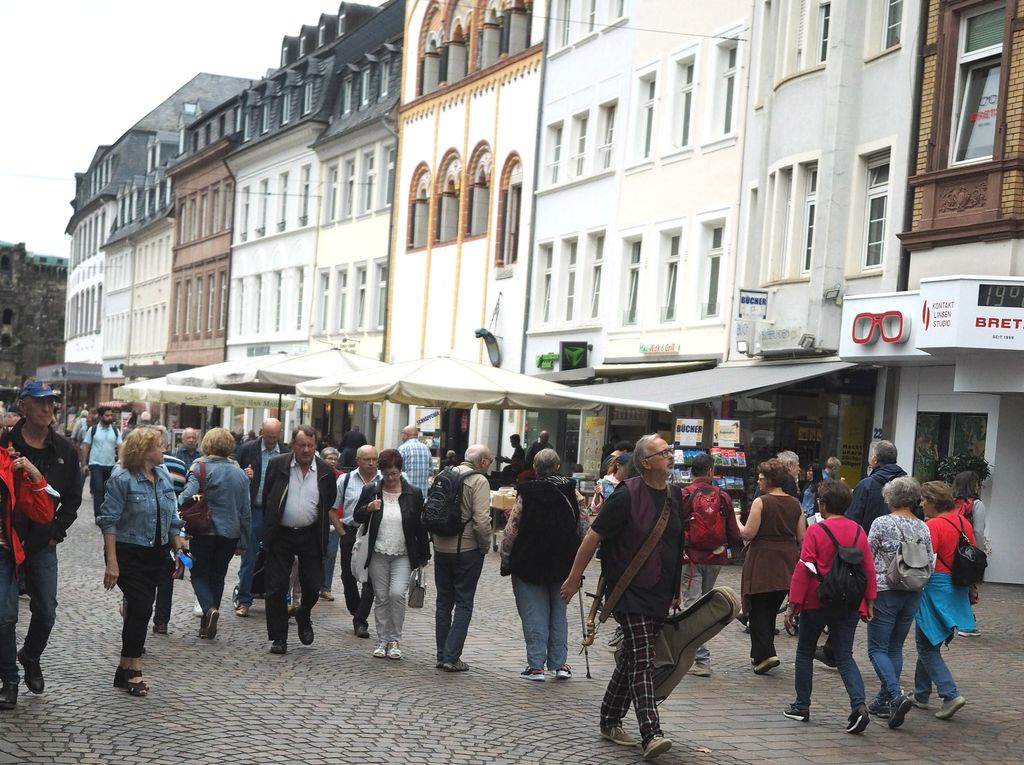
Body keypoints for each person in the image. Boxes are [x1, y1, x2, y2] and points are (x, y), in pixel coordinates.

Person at [560, 434, 682, 760]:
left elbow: (674, 545)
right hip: (629, 590)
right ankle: (651, 732)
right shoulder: (626, 495)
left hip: (659, 593)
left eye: (670, 451)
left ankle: (609, 718)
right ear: (645, 462)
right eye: (664, 453)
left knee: (631, 658)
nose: (671, 456)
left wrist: (675, 591)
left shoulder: (675, 496)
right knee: (643, 660)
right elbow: (593, 537)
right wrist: (574, 578)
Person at [0, 381, 82, 697]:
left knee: (46, 611)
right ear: (24, 406)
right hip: (7, 542)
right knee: (5, 616)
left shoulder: (64, 450)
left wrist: (55, 533)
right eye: (40, 402)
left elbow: (73, 497)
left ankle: (30, 656)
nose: (48, 408)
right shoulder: (5, 444)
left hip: (42, 544)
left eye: (51, 402)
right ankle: (9, 681)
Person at [96, 427, 187, 697]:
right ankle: (135, 669)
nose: (164, 450)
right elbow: (109, 521)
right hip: (128, 552)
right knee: (141, 606)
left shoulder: (163, 476)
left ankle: (123, 668)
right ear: (144, 450)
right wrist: (112, 562)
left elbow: (171, 516)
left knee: (138, 611)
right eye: (159, 446)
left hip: (155, 553)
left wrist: (177, 542)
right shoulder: (122, 477)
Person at [783, 480, 876, 734]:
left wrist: (793, 605)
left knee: (805, 652)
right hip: (848, 601)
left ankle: (802, 706)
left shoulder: (816, 530)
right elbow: (867, 568)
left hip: (817, 599)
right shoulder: (858, 531)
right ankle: (859, 706)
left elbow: (804, 568)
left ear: (823, 504)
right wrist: (869, 601)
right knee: (844, 655)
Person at [501, 448, 587, 681]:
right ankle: (560, 664)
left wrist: (505, 558)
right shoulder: (572, 491)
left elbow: (511, 530)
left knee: (534, 613)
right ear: (557, 467)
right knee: (559, 613)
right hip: (563, 562)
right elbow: (584, 527)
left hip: (529, 560)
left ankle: (536, 666)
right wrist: (578, 558)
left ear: (536, 469)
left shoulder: (527, 492)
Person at [260, 426, 337, 654]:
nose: (306, 450)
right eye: (301, 445)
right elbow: (268, 497)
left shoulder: (324, 471)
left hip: (310, 534)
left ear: (316, 446)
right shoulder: (279, 464)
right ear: (292, 445)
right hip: (282, 533)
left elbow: (329, 500)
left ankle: (303, 613)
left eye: (310, 445)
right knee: (275, 588)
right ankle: (279, 637)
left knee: (313, 586)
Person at [865, 476, 934, 727]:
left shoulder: (882, 523)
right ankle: (884, 698)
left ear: (890, 498)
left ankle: (895, 694)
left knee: (876, 648)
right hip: (913, 591)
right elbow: (930, 560)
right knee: (895, 647)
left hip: (885, 590)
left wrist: (867, 593)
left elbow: (867, 557)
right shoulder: (923, 526)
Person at [351, 449, 430, 660]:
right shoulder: (372, 491)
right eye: (387, 474)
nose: (391, 478)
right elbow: (356, 516)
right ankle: (382, 640)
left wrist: (424, 555)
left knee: (396, 594)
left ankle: (395, 639)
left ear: (400, 471)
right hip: (378, 552)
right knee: (381, 597)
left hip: (403, 553)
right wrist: (368, 508)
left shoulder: (413, 493)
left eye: (394, 473)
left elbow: (420, 527)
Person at [910, 481, 975, 721]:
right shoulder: (963, 522)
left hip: (934, 586)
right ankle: (921, 694)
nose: (921, 504)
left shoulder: (932, 525)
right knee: (930, 641)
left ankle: (950, 693)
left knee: (926, 645)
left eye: (924, 500)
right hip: (956, 587)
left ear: (934, 501)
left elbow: (926, 559)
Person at [181, 428, 251, 640]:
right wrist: (244, 541)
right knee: (218, 576)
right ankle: (207, 625)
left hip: (204, 530)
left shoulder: (200, 467)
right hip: (230, 533)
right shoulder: (240, 473)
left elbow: (188, 496)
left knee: (198, 574)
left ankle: (210, 610)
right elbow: (245, 511)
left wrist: (192, 502)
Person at [737, 457, 805, 674]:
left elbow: (748, 533)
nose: (758, 482)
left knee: (758, 609)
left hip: (763, 559)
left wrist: (736, 519)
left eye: (761, 478)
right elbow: (802, 537)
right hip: (786, 560)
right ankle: (760, 655)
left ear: (769, 480)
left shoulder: (762, 502)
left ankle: (766, 654)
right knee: (770, 607)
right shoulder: (795, 504)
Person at [0, 446, 55, 709]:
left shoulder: (9, 464)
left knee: (4, 617)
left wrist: (34, 474)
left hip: (2, 553)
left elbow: (43, 513)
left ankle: (10, 682)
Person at [680, 453, 742, 677]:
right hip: (715, 559)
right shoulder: (723, 496)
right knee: (704, 607)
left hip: (690, 560)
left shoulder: (684, 495)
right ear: (710, 472)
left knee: (691, 606)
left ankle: (700, 659)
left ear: (692, 472)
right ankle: (698, 656)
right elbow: (733, 533)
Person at [434, 444, 492, 672]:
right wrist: (485, 546)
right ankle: (451, 657)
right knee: (464, 602)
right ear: (483, 462)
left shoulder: (444, 475)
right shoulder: (479, 481)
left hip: (441, 547)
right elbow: (481, 521)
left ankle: (441, 654)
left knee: (443, 601)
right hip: (467, 549)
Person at [233, 418, 285, 617]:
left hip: (276, 513)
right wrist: (243, 475)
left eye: (274, 437)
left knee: (279, 557)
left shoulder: (286, 451)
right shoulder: (248, 449)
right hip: (254, 510)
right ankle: (244, 600)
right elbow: (234, 475)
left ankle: (280, 601)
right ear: (262, 431)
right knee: (250, 557)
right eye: (268, 436)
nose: (271, 441)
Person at [325, 445, 378, 629]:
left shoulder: (383, 480)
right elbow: (331, 509)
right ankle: (356, 610)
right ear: (358, 461)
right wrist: (342, 532)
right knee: (348, 575)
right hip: (350, 531)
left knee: (370, 576)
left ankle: (360, 619)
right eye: (367, 459)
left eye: (374, 459)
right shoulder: (345, 480)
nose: (371, 463)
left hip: (374, 533)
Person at [152, 443, 187, 635]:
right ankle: (159, 620)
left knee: (165, 575)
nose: (162, 453)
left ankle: (159, 620)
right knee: (155, 580)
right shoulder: (124, 472)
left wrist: (178, 544)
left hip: (163, 535)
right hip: (137, 541)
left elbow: (173, 508)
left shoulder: (165, 472)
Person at [950, 470, 986, 637]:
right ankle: (966, 624)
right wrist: (979, 553)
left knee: (953, 585)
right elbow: (978, 530)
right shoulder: (977, 505)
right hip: (967, 552)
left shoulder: (950, 503)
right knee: (967, 585)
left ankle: (957, 620)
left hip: (949, 550)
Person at [847, 440, 907, 532]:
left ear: (875, 459)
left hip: (868, 541)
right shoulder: (907, 485)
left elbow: (853, 520)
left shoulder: (866, 485)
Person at [81, 406, 123, 519]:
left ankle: (106, 513)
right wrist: (84, 464)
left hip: (110, 465)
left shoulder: (115, 430)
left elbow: (120, 446)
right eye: (107, 415)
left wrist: (121, 461)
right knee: (98, 489)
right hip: (96, 464)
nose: (110, 418)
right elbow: (85, 446)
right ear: (100, 417)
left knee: (108, 491)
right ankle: (98, 515)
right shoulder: (93, 430)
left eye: (111, 415)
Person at [397, 425, 432, 497]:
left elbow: (397, 471)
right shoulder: (426, 448)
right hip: (423, 494)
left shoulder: (402, 448)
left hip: (407, 494)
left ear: (406, 435)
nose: (402, 437)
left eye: (402, 434)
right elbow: (430, 471)